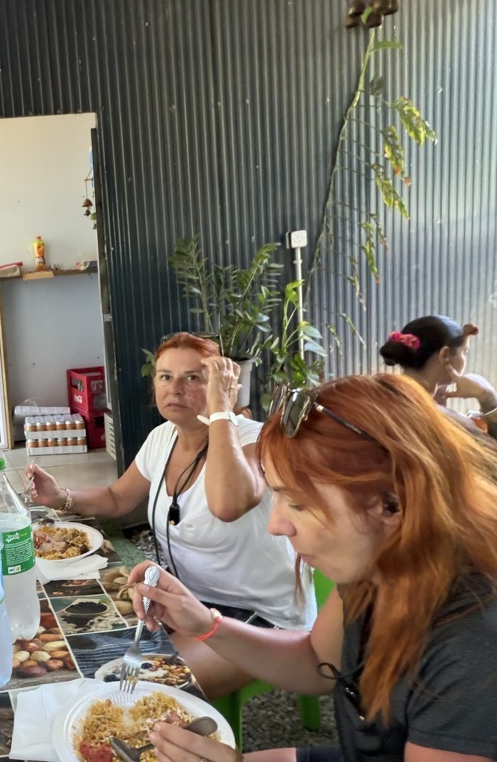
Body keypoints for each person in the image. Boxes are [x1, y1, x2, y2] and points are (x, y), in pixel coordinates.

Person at [130, 374, 497, 762]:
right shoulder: (374, 570)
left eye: (298, 504)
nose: (276, 525)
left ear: (394, 503)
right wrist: (206, 624)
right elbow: (316, 661)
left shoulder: (473, 646)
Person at [26, 332, 314, 697]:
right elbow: (117, 498)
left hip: (257, 615)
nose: (175, 388)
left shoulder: (257, 441)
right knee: (77, 655)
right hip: (186, 600)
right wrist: (60, 496)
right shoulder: (163, 437)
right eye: (165, 376)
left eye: (193, 377)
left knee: (139, 692)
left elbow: (227, 505)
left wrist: (221, 412)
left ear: (221, 385)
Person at [380, 315, 497, 441]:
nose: (464, 359)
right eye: (464, 352)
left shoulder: (381, 397)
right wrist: (488, 397)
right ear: (444, 355)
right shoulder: (448, 423)